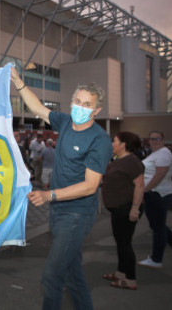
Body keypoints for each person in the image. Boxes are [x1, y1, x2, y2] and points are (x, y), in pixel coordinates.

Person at [11, 68, 112, 310]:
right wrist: (17, 81)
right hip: (57, 211)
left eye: (87, 104)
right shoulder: (66, 121)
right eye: (77, 101)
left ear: (96, 111)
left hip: (76, 214)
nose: (80, 106)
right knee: (72, 273)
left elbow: (90, 186)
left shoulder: (99, 140)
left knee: (52, 276)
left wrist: (49, 194)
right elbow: (37, 109)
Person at [138, 131, 172, 269]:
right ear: (148, 141)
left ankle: (156, 260)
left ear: (163, 140)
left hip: (158, 194)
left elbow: (160, 174)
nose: (154, 141)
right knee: (159, 226)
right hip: (157, 193)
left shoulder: (163, 153)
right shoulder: (157, 153)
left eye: (157, 138)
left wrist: (145, 189)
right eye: (152, 139)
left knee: (158, 227)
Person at [101, 132, 145, 290]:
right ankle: (121, 273)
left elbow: (140, 186)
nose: (112, 144)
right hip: (118, 209)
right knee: (120, 242)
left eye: (115, 142)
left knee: (125, 243)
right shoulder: (119, 160)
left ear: (123, 144)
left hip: (126, 208)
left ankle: (131, 279)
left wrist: (135, 208)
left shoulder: (132, 161)